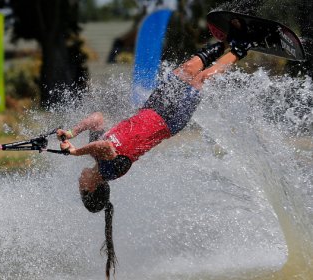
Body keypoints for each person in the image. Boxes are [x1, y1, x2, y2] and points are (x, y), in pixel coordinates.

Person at [57, 39, 254, 279]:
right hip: (169, 120)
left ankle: (224, 42)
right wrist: (76, 151)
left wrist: (72, 132)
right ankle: (242, 47)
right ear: (91, 188)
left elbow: (97, 118)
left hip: (152, 108)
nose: (79, 184)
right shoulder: (111, 169)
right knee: (200, 79)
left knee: (185, 70)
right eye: (82, 190)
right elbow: (106, 146)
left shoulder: (97, 160)